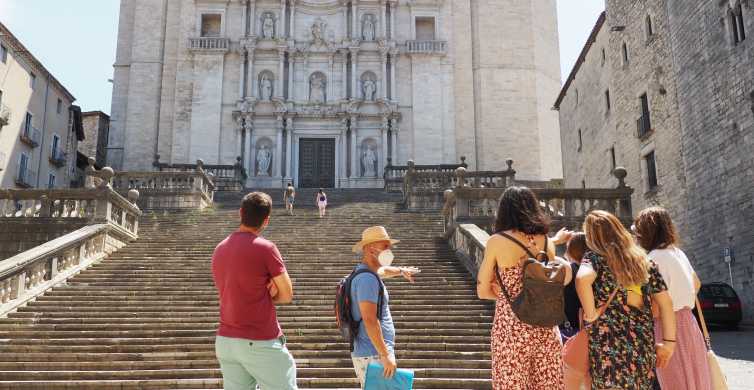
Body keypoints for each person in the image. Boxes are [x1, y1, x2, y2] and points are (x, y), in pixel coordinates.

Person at [477, 186, 572, 389]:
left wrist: (504, 294)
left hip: (511, 328)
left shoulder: (497, 241)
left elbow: (482, 290)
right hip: (546, 326)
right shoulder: (547, 242)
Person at [576, 210, 676, 390]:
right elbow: (666, 303)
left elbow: (582, 279)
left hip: (607, 345)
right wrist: (669, 343)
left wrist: (591, 314)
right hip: (642, 343)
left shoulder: (594, 259)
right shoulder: (643, 261)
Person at [211, 192, 297, 389]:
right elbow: (286, 295)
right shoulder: (265, 248)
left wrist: (257, 291)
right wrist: (269, 292)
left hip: (226, 341)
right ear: (266, 220)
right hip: (258, 340)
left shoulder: (220, 248)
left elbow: (235, 290)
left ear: (240, 213)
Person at [634, 207, 711, 390]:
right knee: (695, 378)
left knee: (673, 380)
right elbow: (696, 284)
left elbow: (654, 304)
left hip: (666, 325)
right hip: (690, 323)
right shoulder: (678, 253)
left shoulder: (652, 259)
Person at [349, 226, 420, 388]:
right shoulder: (367, 279)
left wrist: (401, 270)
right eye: (385, 246)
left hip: (372, 352)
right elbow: (369, 319)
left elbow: (384, 271)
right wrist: (385, 355)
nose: (389, 250)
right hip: (374, 353)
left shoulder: (366, 273)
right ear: (369, 248)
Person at [552, 229, 588, 341]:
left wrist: (555, 240)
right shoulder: (592, 270)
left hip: (568, 330)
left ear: (570, 250)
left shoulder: (568, 269)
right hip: (588, 330)